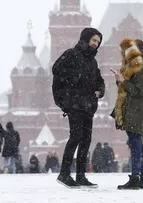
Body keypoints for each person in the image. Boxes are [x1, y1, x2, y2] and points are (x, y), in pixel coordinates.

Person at [52, 27, 105, 188]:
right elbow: (56, 69)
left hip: (88, 105)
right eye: (94, 40)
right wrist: (74, 81)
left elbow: (99, 79)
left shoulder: (92, 61)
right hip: (74, 104)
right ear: (86, 39)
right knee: (76, 136)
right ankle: (64, 173)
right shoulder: (71, 54)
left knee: (86, 140)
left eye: (98, 42)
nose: (96, 44)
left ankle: (81, 176)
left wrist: (100, 90)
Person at [112, 38, 143, 190]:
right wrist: (119, 80)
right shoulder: (134, 68)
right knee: (136, 144)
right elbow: (129, 89)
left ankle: (136, 178)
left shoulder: (142, 69)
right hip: (130, 111)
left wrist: (123, 81)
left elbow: (139, 91)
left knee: (136, 145)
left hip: (135, 111)